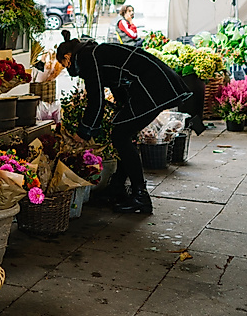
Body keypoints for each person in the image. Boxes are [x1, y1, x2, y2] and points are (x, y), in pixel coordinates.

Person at [56, 30, 197, 214]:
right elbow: (117, 82)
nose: (68, 69)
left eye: (64, 63)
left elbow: (95, 98)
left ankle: (140, 196)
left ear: (68, 56)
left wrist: (84, 132)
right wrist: (122, 109)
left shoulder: (86, 57)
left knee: (120, 134)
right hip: (156, 81)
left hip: (153, 84)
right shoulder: (94, 52)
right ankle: (118, 187)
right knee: (122, 132)